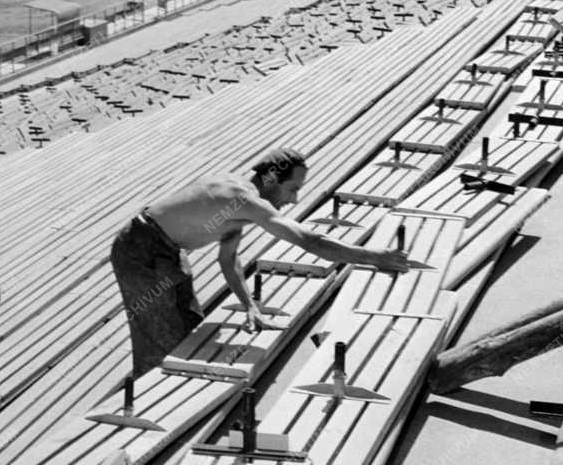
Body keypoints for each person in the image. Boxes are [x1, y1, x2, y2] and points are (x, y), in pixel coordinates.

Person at [110, 148, 408, 377]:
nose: (294, 200)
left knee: (186, 322)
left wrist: (249, 306)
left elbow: (228, 260)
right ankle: (148, 399)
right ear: (270, 179)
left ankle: (167, 378)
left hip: (165, 249)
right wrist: (374, 257)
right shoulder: (244, 199)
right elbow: (311, 241)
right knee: (162, 334)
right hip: (141, 250)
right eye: (292, 189)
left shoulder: (240, 202)